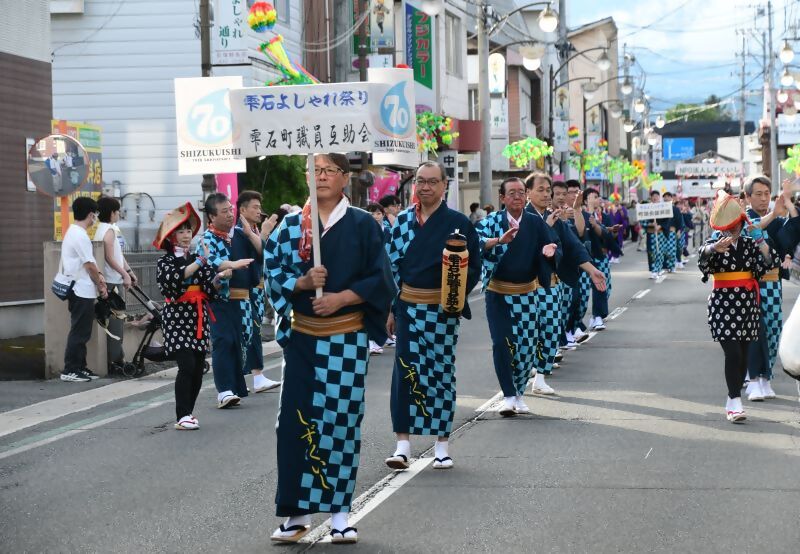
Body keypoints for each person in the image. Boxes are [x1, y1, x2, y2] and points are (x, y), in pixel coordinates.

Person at [265, 153, 394, 544]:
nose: (320, 177)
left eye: (328, 171)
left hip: (345, 337)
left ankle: (340, 514)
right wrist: (302, 284)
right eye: (314, 170)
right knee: (294, 424)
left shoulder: (362, 225)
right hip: (303, 337)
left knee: (341, 422)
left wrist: (341, 299)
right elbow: (272, 273)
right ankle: (296, 513)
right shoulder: (290, 227)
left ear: (344, 178)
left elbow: (382, 278)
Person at [385, 161, 480, 471]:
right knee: (405, 373)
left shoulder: (458, 222)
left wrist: (456, 296)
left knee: (440, 374)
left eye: (431, 182)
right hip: (409, 308)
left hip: (443, 309)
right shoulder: (401, 222)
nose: (425, 187)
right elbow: (390, 268)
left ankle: (442, 445)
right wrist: (391, 307)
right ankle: (402, 445)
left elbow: (474, 265)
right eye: (420, 181)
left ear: (444, 185)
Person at [477, 177, 559, 414]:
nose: (517, 197)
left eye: (521, 193)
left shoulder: (534, 222)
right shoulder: (492, 221)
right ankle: (509, 395)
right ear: (502, 198)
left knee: (526, 345)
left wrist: (550, 251)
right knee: (501, 343)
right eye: (511, 193)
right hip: (498, 293)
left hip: (526, 293)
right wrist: (498, 241)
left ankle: (519, 392)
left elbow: (552, 245)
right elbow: (475, 241)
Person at [153, 203, 238, 430]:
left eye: (188, 231)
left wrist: (222, 278)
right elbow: (174, 281)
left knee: (198, 366)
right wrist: (200, 261)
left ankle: (188, 413)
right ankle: (182, 415)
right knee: (187, 364)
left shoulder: (197, 259)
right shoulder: (166, 261)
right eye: (181, 231)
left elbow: (210, 287)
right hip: (176, 317)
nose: (186, 235)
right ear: (171, 237)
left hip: (197, 316)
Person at [698, 190, 778, 422]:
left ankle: (733, 399)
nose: (733, 231)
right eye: (730, 227)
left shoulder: (749, 243)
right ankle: (734, 400)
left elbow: (769, 261)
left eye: (737, 227)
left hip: (747, 305)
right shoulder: (714, 243)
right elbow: (702, 259)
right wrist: (714, 249)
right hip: (722, 304)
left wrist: (760, 238)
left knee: (743, 355)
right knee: (732, 353)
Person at [526, 176, 605, 394]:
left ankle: (540, 377)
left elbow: (573, 245)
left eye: (547, 190)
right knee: (528, 333)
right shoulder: (522, 217)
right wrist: (545, 227)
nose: (546, 194)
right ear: (528, 192)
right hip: (525, 287)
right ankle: (522, 376)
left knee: (551, 330)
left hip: (551, 285)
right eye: (540, 190)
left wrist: (592, 270)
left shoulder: (555, 220)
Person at [743, 176, 799, 401]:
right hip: (750, 284)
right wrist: (774, 214)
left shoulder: (775, 220)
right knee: (756, 330)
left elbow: (792, 233)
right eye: (758, 194)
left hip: (773, 283)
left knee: (774, 329)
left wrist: (787, 201)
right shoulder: (742, 217)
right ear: (747, 197)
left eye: (767, 193)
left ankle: (766, 378)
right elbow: (749, 230)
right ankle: (752, 379)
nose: (764, 198)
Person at [199, 193, 255, 409]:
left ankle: (235, 387)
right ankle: (224, 390)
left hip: (242, 299)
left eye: (231, 209)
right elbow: (209, 261)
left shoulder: (240, 234)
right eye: (225, 211)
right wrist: (231, 264)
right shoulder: (207, 239)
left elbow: (260, 254)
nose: (230, 214)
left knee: (241, 341)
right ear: (212, 217)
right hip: (219, 299)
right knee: (223, 342)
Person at [56, 196, 108, 382]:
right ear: (90, 214)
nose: (95, 219)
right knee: (79, 331)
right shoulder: (79, 235)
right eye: (95, 215)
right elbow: (89, 265)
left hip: (81, 289)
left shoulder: (75, 233)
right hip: (80, 289)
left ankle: (80, 367)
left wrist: (99, 278)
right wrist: (101, 284)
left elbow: (90, 263)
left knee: (83, 331)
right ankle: (70, 369)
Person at [236, 190, 281, 394]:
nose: (258, 211)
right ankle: (256, 375)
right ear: (242, 209)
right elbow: (259, 253)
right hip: (244, 290)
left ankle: (252, 376)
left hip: (257, 289)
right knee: (250, 332)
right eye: (254, 207)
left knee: (252, 332)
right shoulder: (238, 231)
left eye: (259, 207)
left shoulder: (252, 228)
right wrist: (263, 232)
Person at [94, 196, 136, 372]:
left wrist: (129, 271)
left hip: (113, 279)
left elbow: (118, 255)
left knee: (113, 322)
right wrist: (124, 275)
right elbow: (110, 258)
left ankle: (116, 359)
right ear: (112, 213)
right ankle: (116, 361)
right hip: (112, 282)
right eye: (117, 211)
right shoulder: (109, 231)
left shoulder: (104, 229)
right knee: (116, 324)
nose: (119, 214)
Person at [641, 190, 671, 280]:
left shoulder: (664, 207)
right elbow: (642, 221)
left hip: (660, 233)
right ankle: (653, 270)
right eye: (653, 196)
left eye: (657, 196)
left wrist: (660, 226)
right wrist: (650, 224)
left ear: (659, 197)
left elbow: (667, 221)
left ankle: (658, 269)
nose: (655, 197)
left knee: (660, 252)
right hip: (651, 234)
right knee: (651, 252)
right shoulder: (646, 208)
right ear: (651, 197)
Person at [662, 192, 684, 270]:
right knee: (662, 250)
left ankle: (671, 266)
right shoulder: (661, 209)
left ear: (671, 198)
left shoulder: (675, 209)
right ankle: (663, 266)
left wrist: (678, 231)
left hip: (671, 231)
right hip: (661, 232)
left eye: (668, 196)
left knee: (671, 250)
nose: (666, 198)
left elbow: (679, 221)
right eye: (665, 197)